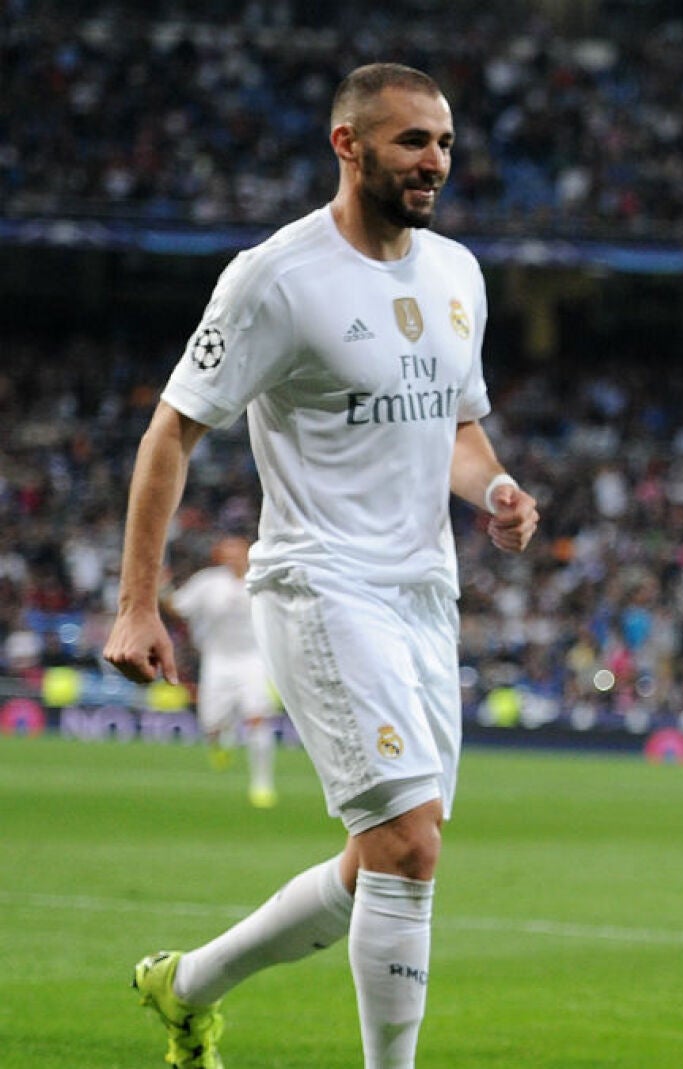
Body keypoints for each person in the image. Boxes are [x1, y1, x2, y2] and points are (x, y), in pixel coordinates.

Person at [104, 62, 538, 1069]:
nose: (433, 161)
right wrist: (137, 605)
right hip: (319, 584)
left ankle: (187, 984)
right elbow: (172, 430)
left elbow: (458, 429)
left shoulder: (457, 273)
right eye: (410, 142)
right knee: (409, 849)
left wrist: (498, 489)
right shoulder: (277, 277)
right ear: (347, 145)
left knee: (378, 862)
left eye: (443, 144)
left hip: (425, 595)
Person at [166, 536, 280, 808]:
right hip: (217, 660)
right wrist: (160, 588)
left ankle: (262, 785)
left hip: (253, 659)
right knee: (211, 724)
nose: (232, 558)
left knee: (257, 718)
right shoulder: (208, 582)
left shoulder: (263, 578)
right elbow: (178, 607)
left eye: (237, 552)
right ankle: (220, 740)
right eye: (226, 553)